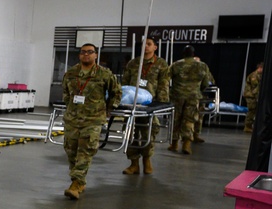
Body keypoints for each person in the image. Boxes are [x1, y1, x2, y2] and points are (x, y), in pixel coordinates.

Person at [61, 44, 121, 199]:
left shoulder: (104, 74)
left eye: (89, 52)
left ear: (96, 55)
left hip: (93, 120)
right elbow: (66, 92)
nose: (86, 55)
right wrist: (70, 107)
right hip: (72, 119)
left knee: (86, 151)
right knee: (71, 151)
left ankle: (76, 184)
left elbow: (116, 92)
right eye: (83, 52)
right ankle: (79, 181)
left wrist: (108, 110)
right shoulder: (71, 73)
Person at [120, 37, 170, 175]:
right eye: (143, 44)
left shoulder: (161, 64)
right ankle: (134, 163)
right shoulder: (133, 63)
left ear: (155, 47)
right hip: (132, 104)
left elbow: (163, 84)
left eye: (149, 44)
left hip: (150, 105)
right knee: (131, 133)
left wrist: (161, 103)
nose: (146, 47)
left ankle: (147, 160)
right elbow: (124, 83)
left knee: (149, 132)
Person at [168, 46, 212, 155]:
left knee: (176, 119)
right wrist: (197, 90)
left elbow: (166, 79)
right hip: (193, 97)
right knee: (189, 119)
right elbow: (206, 83)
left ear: (183, 54)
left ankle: (174, 144)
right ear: (193, 54)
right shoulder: (202, 66)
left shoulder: (176, 65)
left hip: (177, 96)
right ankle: (186, 144)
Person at [191, 57, 215, 143]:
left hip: (202, 96)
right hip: (190, 97)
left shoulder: (206, 71)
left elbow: (211, 82)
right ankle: (186, 137)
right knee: (189, 117)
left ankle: (196, 135)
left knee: (200, 117)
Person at [244, 61, 263, 133]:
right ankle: (247, 126)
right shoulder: (254, 76)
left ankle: (249, 126)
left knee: (254, 111)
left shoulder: (259, 75)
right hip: (250, 96)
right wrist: (257, 97)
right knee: (251, 111)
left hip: (253, 95)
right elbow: (255, 88)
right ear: (260, 68)